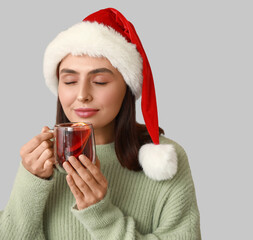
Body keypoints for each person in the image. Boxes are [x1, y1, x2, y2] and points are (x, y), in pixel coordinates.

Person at [0, 8, 201, 239]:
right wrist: (30, 181)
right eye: (70, 80)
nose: (83, 94)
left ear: (126, 87)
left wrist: (101, 215)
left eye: (100, 81)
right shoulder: (40, 162)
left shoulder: (166, 161)